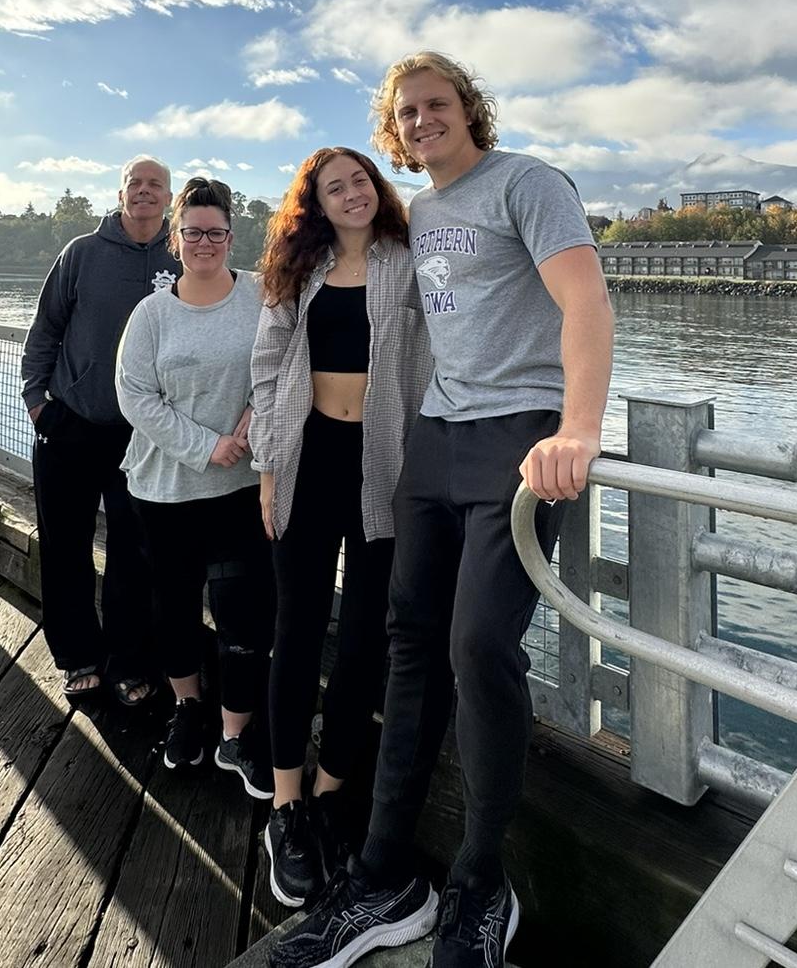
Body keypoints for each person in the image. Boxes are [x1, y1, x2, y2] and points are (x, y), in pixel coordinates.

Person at [273, 51, 614, 968]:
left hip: (520, 439)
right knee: (407, 638)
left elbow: (585, 298)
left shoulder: (528, 184)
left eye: (437, 104)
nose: (423, 120)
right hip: (435, 437)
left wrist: (577, 428)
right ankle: (386, 877)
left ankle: (479, 882)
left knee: (478, 646)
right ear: (395, 132)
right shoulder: (419, 213)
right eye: (407, 112)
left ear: (469, 110)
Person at [251, 147, 431, 909]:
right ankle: (285, 805)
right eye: (335, 188)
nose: (352, 193)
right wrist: (267, 466)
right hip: (307, 456)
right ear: (316, 204)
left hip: (384, 464)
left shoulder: (410, 257)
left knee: (362, 641)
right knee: (295, 632)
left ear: (376, 188)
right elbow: (266, 366)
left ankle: (330, 793)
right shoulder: (302, 268)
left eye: (360, 180)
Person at [116, 176, 276, 799]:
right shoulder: (152, 313)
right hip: (165, 491)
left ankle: (234, 732)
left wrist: (254, 420)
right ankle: (188, 707)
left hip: (238, 491)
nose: (204, 242)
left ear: (230, 238)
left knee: (242, 612)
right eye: (192, 232)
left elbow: (280, 366)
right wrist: (207, 445)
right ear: (175, 240)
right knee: (175, 606)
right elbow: (134, 395)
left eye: (215, 232)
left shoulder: (259, 298)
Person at [21, 155, 179, 707]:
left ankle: (128, 659)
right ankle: (78, 656)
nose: (144, 192)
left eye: (154, 184)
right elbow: (45, 329)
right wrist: (37, 402)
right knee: (65, 548)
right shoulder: (82, 254)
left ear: (169, 196)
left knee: (136, 554)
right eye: (135, 184)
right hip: (71, 423)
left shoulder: (182, 259)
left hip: (143, 435)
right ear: (120, 194)